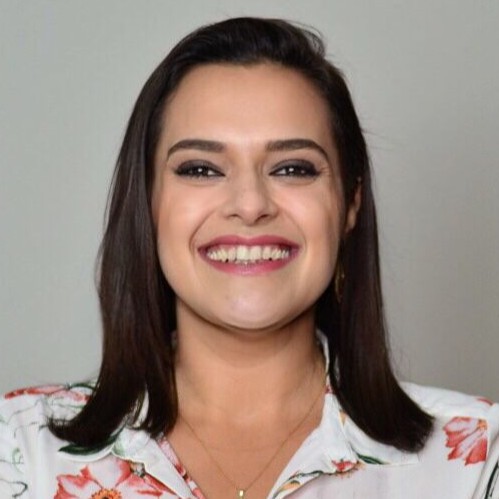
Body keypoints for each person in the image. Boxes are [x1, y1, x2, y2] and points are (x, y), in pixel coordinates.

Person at [0, 17, 497, 499]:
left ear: (350, 202)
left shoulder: (477, 462)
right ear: (147, 202)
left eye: (293, 168)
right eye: (201, 169)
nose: (251, 204)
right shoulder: (19, 450)